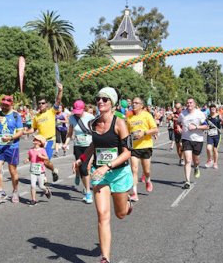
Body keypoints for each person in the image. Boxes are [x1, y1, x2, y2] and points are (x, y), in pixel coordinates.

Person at [73, 87, 133, 263]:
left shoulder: (120, 123)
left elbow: (127, 152)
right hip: (99, 174)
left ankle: (127, 203)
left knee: (120, 214)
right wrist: (82, 158)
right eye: (98, 98)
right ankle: (105, 258)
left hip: (119, 173)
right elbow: (95, 144)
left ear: (112, 103)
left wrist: (107, 166)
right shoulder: (93, 123)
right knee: (102, 214)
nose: (100, 101)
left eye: (105, 99)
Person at [0, 95, 23, 204]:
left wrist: (11, 137)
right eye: (2, 104)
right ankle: (1, 192)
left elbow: (20, 132)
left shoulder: (16, 116)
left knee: (13, 171)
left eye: (6, 105)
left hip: (12, 147)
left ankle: (15, 191)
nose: (3, 107)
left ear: (11, 104)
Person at [25, 82, 63, 182]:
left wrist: (60, 90)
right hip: (40, 141)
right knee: (38, 159)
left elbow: (58, 101)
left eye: (43, 103)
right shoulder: (36, 117)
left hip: (50, 140)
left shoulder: (51, 111)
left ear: (46, 104)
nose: (41, 105)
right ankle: (45, 176)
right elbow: (34, 129)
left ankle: (53, 170)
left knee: (45, 161)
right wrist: (25, 132)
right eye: (39, 103)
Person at [63, 99, 95, 204]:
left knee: (85, 168)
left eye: (79, 111)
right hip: (78, 146)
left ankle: (88, 193)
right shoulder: (72, 118)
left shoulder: (90, 117)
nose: (77, 114)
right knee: (81, 169)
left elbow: (96, 131)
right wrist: (66, 143)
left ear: (83, 109)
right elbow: (70, 133)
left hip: (88, 146)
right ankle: (82, 180)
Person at [126, 97, 158, 201]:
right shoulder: (129, 117)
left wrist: (144, 133)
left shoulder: (147, 115)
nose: (133, 105)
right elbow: (126, 131)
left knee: (146, 170)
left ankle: (148, 179)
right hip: (134, 147)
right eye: (132, 103)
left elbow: (155, 129)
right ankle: (134, 193)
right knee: (134, 169)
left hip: (145, 146)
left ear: (141, 105)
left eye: (136, 103)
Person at [177, 97, 208, 189]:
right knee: (188, 160)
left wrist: (196, 127)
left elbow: (206, 126)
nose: (189, 104)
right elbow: (178, 122)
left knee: (196, 160)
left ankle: (196, 167)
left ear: (194, 104)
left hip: (198, 139)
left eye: (191, 103)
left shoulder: (200, 114)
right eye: (187, 103)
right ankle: (187, 181)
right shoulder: (182, 114)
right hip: (186, 139)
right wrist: (178, 127)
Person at [23, 135, 52, 205]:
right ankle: (33, 199)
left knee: (41, 186)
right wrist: (27, 160)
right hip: (33, 170)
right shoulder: (31, 150)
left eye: (36, 139)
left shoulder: (42, 150)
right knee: (33, 185)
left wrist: (41, 156)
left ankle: (46, 191)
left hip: (41, 170)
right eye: (34, 139)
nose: (34, 140)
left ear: (40, 143)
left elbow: (47, 158)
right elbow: (30, 157)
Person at [205, 104, 222, 169]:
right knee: (208, 148)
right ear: (209, 109)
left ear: (216, 109)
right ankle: (210, 160)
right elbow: (205, 125)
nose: (213, 109)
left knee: (215, 150)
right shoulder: (208, 117)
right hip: (210, 134)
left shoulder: (219, 116)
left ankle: (215, 163)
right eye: (211, 108)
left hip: (217, 135)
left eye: (214, 108)